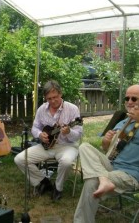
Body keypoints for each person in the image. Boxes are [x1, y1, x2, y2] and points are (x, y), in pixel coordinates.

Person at [74, 84, 139, 223]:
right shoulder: (123, 122)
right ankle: (104, 179)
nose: (129, 102)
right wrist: (106, 142)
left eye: (134, 98)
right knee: (84, 146)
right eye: (127, 98)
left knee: (92, 181)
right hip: (110, 164)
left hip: (130, 173)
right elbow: (107, 150)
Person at [14, 80, 83, 201]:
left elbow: (78, 135)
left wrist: (69, 132)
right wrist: (40, 135)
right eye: (49, 98)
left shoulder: (72, 109)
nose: (52, 101)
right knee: (19, 159)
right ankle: (43, 181)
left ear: (60, 94)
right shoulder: (42, 109)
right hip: (47, 146)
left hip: (67, 146)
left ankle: (58, 187)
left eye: (55, 97)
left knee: (66, 162)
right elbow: (35, 127)